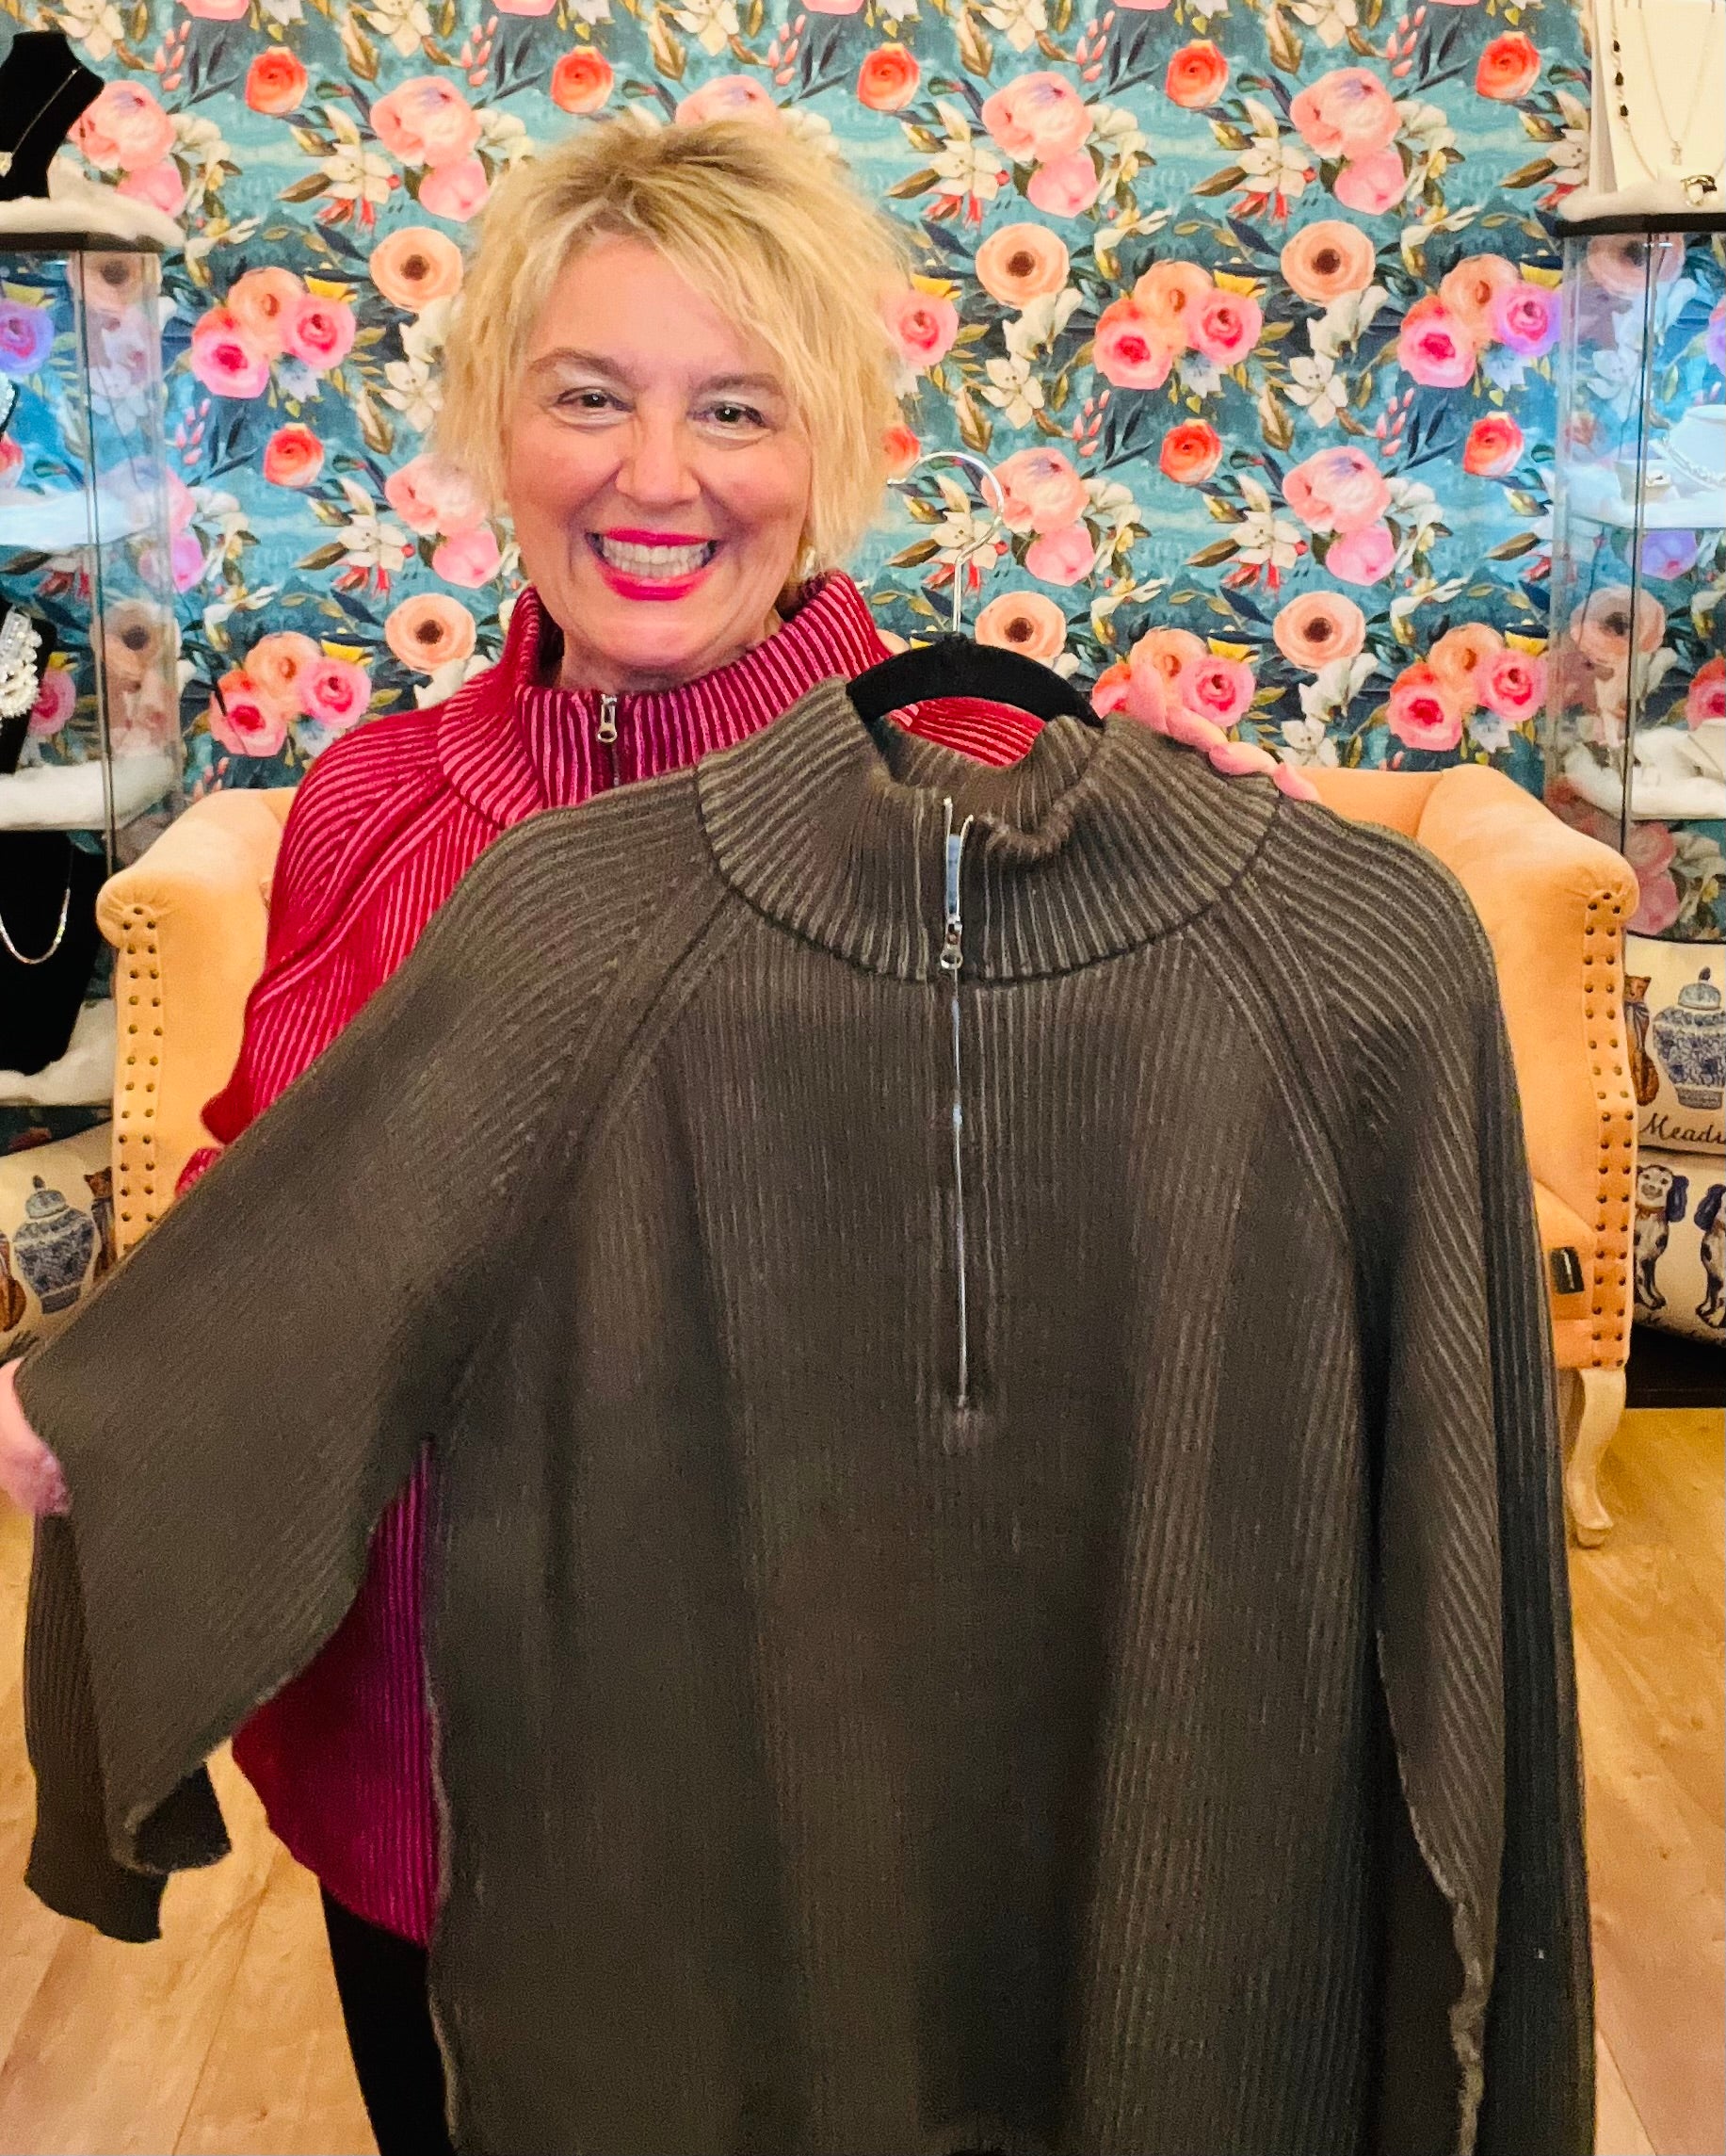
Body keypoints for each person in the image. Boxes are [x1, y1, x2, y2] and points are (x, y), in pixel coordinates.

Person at [0, 114, 1294, 2152]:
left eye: (734, 407)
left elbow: (1127, 1262)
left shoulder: (993, 794)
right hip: (434, 1789)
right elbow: (279, 1203)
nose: (656, 477)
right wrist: (130, 1378)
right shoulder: (376, 806)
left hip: (851, 1790)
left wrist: (1204, 893)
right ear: (494, 420)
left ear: (830, 442)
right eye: (588, 396)